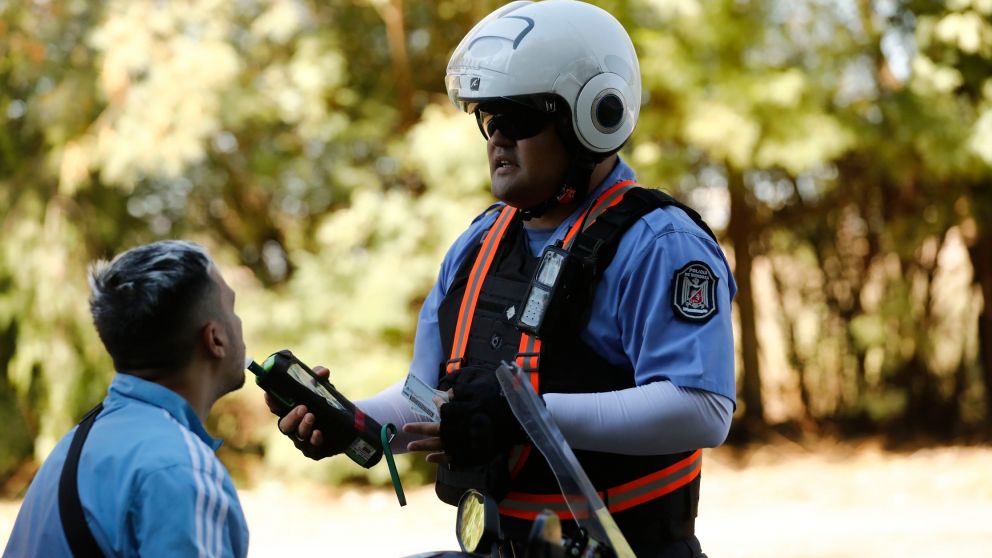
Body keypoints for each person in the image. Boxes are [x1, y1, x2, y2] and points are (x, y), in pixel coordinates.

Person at [270, 1, 735, 556]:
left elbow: (703, 410)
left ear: (590, 117)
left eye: (516, 119)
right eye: (488, 120)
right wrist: (355, 422)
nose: (497, 139)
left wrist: (526, 412)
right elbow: (427, 395)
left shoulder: (660, 244)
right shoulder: (477, 244)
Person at [4, 241, 249, 558]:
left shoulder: (79, 444)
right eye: (232, 307)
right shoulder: (176, 467)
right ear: (215, 338)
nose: (240, 322)